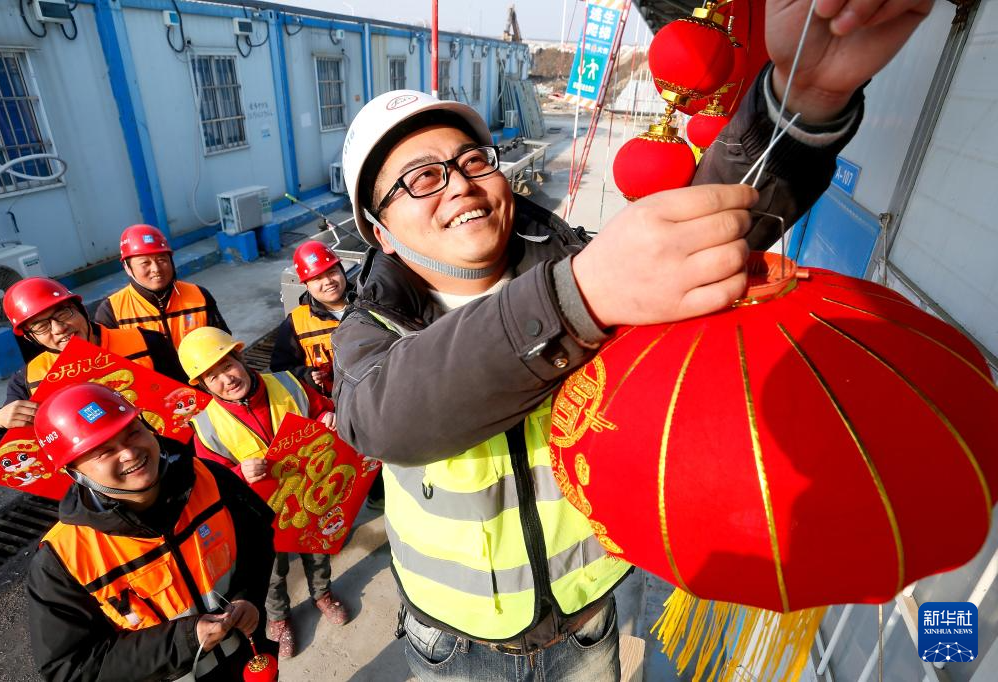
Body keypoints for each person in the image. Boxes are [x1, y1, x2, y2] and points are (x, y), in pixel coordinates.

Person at [331, 1, 931, 679]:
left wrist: (803, 101)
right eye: (420, 178)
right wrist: (579, 298)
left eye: (473, 159)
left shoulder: (585, 269)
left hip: (588, 621)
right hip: (456, 646)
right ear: (379, 232)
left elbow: (706, 228)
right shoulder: (371, 334)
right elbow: (388, 417)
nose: (461, 185)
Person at [26, 382, 276, 681]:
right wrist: (181, 641)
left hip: (250, 662)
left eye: (133, 432)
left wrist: (248, 596)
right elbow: (69, 668)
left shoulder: (209, 478)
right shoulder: (62, 560)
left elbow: (258, 538)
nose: (129, 453)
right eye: (104, 451)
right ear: (73, 470)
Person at [178, 326, 350, 659]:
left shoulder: (288, 383)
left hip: (308, 493)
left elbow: (319, 409)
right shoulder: (206, 426)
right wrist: (239, 474)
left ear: (240, 357)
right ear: (203, 385)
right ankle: (278, 618)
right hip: (258, 513)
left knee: (317, 551)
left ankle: (322, 594)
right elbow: (210, 480)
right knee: (271, 572)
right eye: (212, 377)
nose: (226, 379)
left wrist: (327, 415)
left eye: (227, 365)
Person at [0, 277, 186, 444]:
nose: (58, 328)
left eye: (63, 313)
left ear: (80, 309)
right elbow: (16, 448)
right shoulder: (27, 379)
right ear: (29, 337)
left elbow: (190, 397)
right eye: (41, 326)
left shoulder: (146, 342)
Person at [95, 224, 230, 348]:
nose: (156, 269)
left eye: (162, 259)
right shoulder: (111, 312)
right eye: (145, 263)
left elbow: (225, 348)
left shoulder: (199, 296)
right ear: (127, 268)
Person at [270, 241, 350, 395]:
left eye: (332, 272)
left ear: (342, 271)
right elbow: (280, 370)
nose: (328, 282)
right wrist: (306, 377)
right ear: (306, 285)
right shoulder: (295, 323)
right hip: (330, 404)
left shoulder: (368, 305)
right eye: (317, 278)